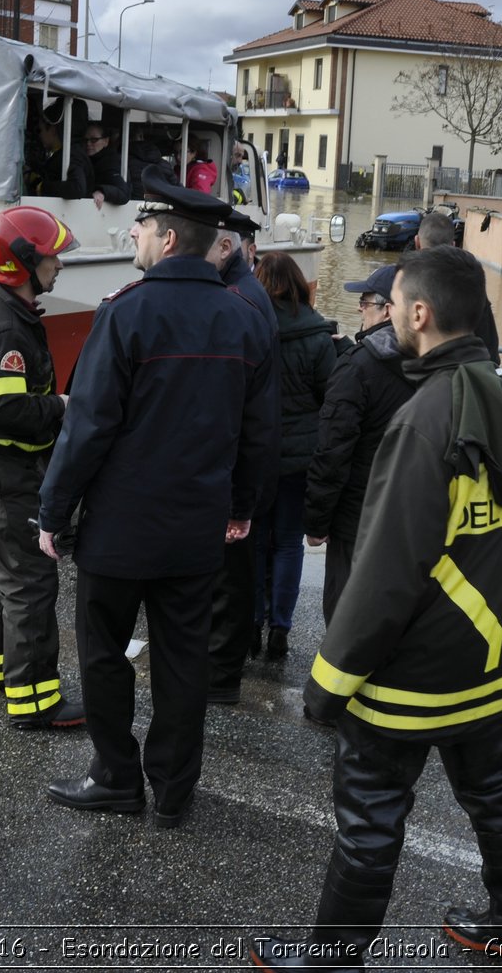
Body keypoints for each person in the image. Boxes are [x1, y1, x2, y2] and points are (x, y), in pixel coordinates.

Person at [251, 247, 502, 970]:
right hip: (488, 658)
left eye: (398, 305)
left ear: (418, 313)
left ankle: (333, 957)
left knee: (371, 814)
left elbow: (387, 571)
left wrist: (329, 681)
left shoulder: (425, 417)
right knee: (492, 789)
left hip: (413, 671)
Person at [36, 169, 273, 829]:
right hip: (196, 531)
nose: (134, 233)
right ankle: (173, 788)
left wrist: (54, 512)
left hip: (119, 529)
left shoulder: (125, 312)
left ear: (168, 239)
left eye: (141, 226)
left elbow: (87, 429)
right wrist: (241, 508)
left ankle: (115, 774)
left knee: (103, 648)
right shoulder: (246, 321)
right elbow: (259, 434)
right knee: (182, 658)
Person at [0, 206, 84, 730]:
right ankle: (33, 699)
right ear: (25, 261)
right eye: (51, 256)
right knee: (29, 579)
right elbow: (5, 410)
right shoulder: (6, 328)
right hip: (8, 464)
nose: (58, 264)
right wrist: (63, 405)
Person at [304, 263, 417, 625]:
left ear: (387, 309)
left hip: (358, 516)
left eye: (366, 301)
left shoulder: (357, 368)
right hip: (413, 514)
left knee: (345, 617)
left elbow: (333, 450)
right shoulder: (432, 360)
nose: (358, 308)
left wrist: (317, 521)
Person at [206, 210, 279, 703]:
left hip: (233, 466)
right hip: (241, 465)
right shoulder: (245, 294)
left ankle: (220, 674)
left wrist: (240, 498)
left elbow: (243, 408)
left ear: (226, 248)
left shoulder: (238, 301)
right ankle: (221, 666)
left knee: (229, 576)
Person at [251, 251, 336, 660]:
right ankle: (280, 628)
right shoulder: (318, 335)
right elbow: (329, 398)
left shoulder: (249, 326)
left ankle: (251, 623)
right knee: (288, 543)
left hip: (255, 454)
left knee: (251, 540)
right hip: (299, 458)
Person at [417, 211, 499, 364]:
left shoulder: (403, 284)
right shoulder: (471, 285)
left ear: (417, 242)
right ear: (453, 245)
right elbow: (490, 349)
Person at [25, 113, 91, 200]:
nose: (39, 135)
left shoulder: (72, 154)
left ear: (53, 130)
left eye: (40, 130)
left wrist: (41, 187)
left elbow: (77, 188)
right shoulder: (62, 153)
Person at [83, 122, 131, 208]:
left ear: (106, 141)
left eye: (94, 140)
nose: (88, 143)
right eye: (85, 140)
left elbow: (123, 193)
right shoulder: (86, 160)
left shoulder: (111, 162)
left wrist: (102, 191)